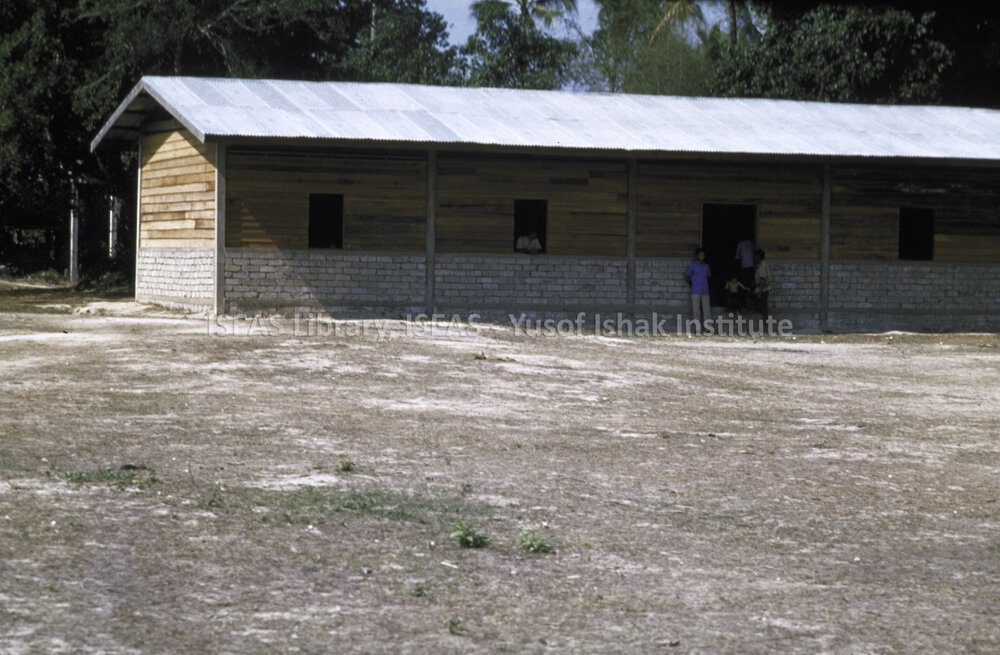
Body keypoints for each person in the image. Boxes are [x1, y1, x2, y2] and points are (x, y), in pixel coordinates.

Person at [684, 247, 711, 334]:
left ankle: (707, 328)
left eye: (703, 255)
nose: (701, 257)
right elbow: (687, 276)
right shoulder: (693, 266)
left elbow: (708, 276)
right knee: (696, 310)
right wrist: (692, 284)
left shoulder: (707, 266)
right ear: (697, 256)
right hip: (695, 290)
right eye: (700, 255)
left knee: (706, 310)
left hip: (705, 290)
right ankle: (698, 328)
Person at [753, 248, 773, 317]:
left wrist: (759, 292)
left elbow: (762, 280)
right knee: (762, 306)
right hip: (763, 288)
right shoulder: (761, 265)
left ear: (759, 257)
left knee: (763, 306)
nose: (755, 258)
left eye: (756, 256)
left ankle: (765, 322)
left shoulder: (762, 266)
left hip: (763, 289)